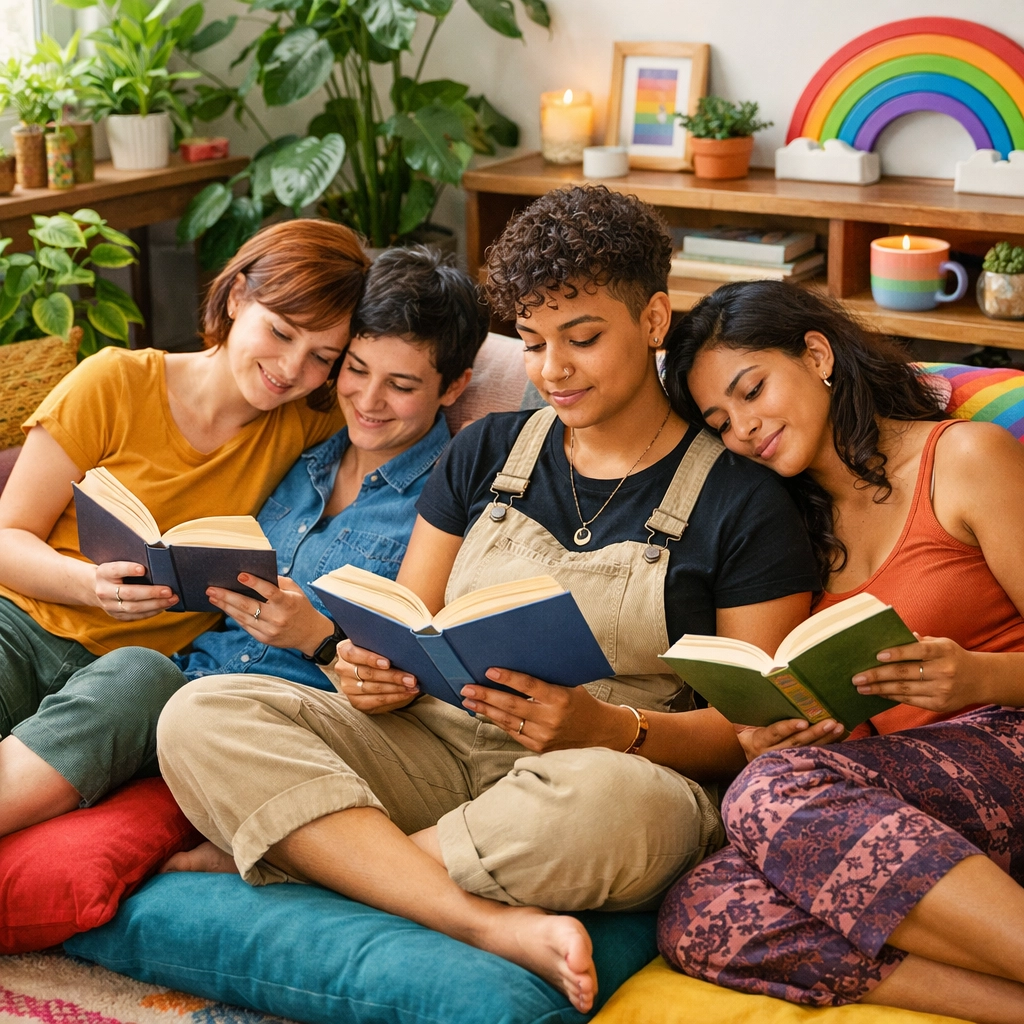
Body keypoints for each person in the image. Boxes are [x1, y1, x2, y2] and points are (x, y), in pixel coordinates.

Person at [156, 186, 821, 1014]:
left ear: (654, 320)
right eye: (534, 343)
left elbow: (753, 733)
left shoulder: (745, 503)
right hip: (432, 743)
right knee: (201, 714)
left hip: (605, 772)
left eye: (583, 339)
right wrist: (370, 671)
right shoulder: (485, 449)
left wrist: (607, 729)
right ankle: (475, 918)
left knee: (622, 811)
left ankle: (319, 852)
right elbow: (404, 624)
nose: (552, 371)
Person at [658, 280, 1024, 1024]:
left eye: (752, 390)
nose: (744, 429)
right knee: (703, 908)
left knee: (767, 794)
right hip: (903, 799)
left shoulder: (963, 457)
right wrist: (777, 735)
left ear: (817, 355)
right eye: (721, 422)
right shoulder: (788, 530)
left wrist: (977, 675)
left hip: (1008, 741)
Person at [0, 219, 368, 839]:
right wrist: (91, 586)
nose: (290, 368)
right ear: (237, 296)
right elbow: (7, 535)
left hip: (129, 673)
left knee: (150, 681)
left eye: (322, 358)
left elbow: (407, 388)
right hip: (19, 624)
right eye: (280, 332)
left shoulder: (311, 423)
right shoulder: (115, 382)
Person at [120, 247, 485, 865]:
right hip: (187, 681)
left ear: (454, 387)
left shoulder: (446, 505)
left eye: (401, 386)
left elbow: (412, 681)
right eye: (355, 369)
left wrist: (316, 636)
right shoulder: (301, 451)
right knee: (116, 680)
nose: (368, 400)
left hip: (289, 727)